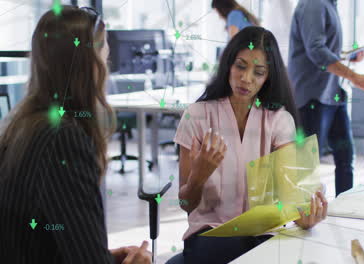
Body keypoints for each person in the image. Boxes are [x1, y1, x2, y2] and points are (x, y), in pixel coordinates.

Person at [0, 6, 151, 264]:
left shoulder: (21, 124)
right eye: (105, 59)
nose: (106, 69)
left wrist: (107, 258)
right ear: (88, 66)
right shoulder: (64, 140)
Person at [173, 26, 328, 264]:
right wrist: (199, 175)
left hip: (261, 235)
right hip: (210, 235)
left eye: (258, 72)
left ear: (268, 77)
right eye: (240, 66)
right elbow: (186, 204)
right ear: (228, 64)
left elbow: (291, 197)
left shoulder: (278, 120)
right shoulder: (197, 116)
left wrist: (305, 217)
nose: (246, 78)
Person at [288, 0, 364, 197]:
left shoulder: (329, 5)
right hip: (313, 97)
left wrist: (347, 57)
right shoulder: (314, 4)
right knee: (308, 166)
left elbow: (324, 49)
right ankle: (302, 217)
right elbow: (316, 50)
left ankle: (346, 209)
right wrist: (353, 76)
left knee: (345, 158)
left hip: (333, 94)